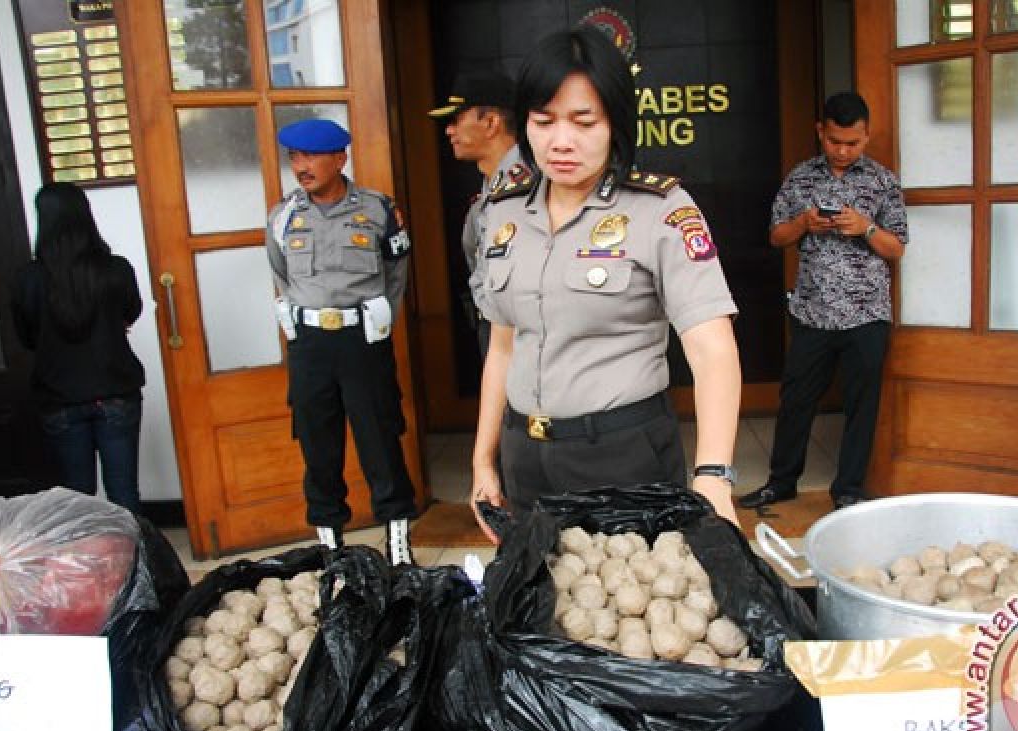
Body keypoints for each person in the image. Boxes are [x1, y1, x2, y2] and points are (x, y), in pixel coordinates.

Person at [468, 26, 742, 539]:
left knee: (625, 610)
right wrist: (485, 458)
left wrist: (713, 476)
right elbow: (503, 346)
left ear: (616, 122)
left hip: (622, 456)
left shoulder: (660, 211)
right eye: (543, 121)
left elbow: (712, 350)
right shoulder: (504, 214)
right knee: (536, 606)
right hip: (524, 456)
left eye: (583, 121)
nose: (561, 141)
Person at [739, 92, 908, 512]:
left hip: (866, 314)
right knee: (796, 400)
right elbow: (776, 237)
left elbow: (896, 248)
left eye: (853, 142)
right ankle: (781, 482)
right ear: (821, 131)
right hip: (812, 311)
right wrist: (803, 223)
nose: (843, 150)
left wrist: (865, 228)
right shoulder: (800, 178)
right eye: (835, 141)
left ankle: (848, 489)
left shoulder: (884, 182)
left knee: (861, 404)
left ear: (867, 135)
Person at [265, 118, 418, 564]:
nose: (301, 167)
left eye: (310, 156)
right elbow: (281, 275)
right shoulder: (283, 217)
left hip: (362, 341)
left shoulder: (378, 211)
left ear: (340, 158)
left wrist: (376, 320)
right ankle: (331, 547)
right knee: (318, 444)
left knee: (380, 437)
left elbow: (397, 274)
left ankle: (397, 545)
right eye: (294, 157)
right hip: (310, 344)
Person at [12, 182, 146, 513]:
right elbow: (130, 313)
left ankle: (83, 565)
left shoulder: (28, 279)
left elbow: (26, 338)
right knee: (125, 494)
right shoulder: (115, 269)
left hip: (59, 398)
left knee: (75, 501)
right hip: (116, 392)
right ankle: (137, 563)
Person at [429, 70, 528, 361]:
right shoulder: (489, 188)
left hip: (527, 333)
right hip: (497, 330)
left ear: (491, 122)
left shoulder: (534, 183)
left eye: (456, 119)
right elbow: (477, 259)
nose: (449, 130)